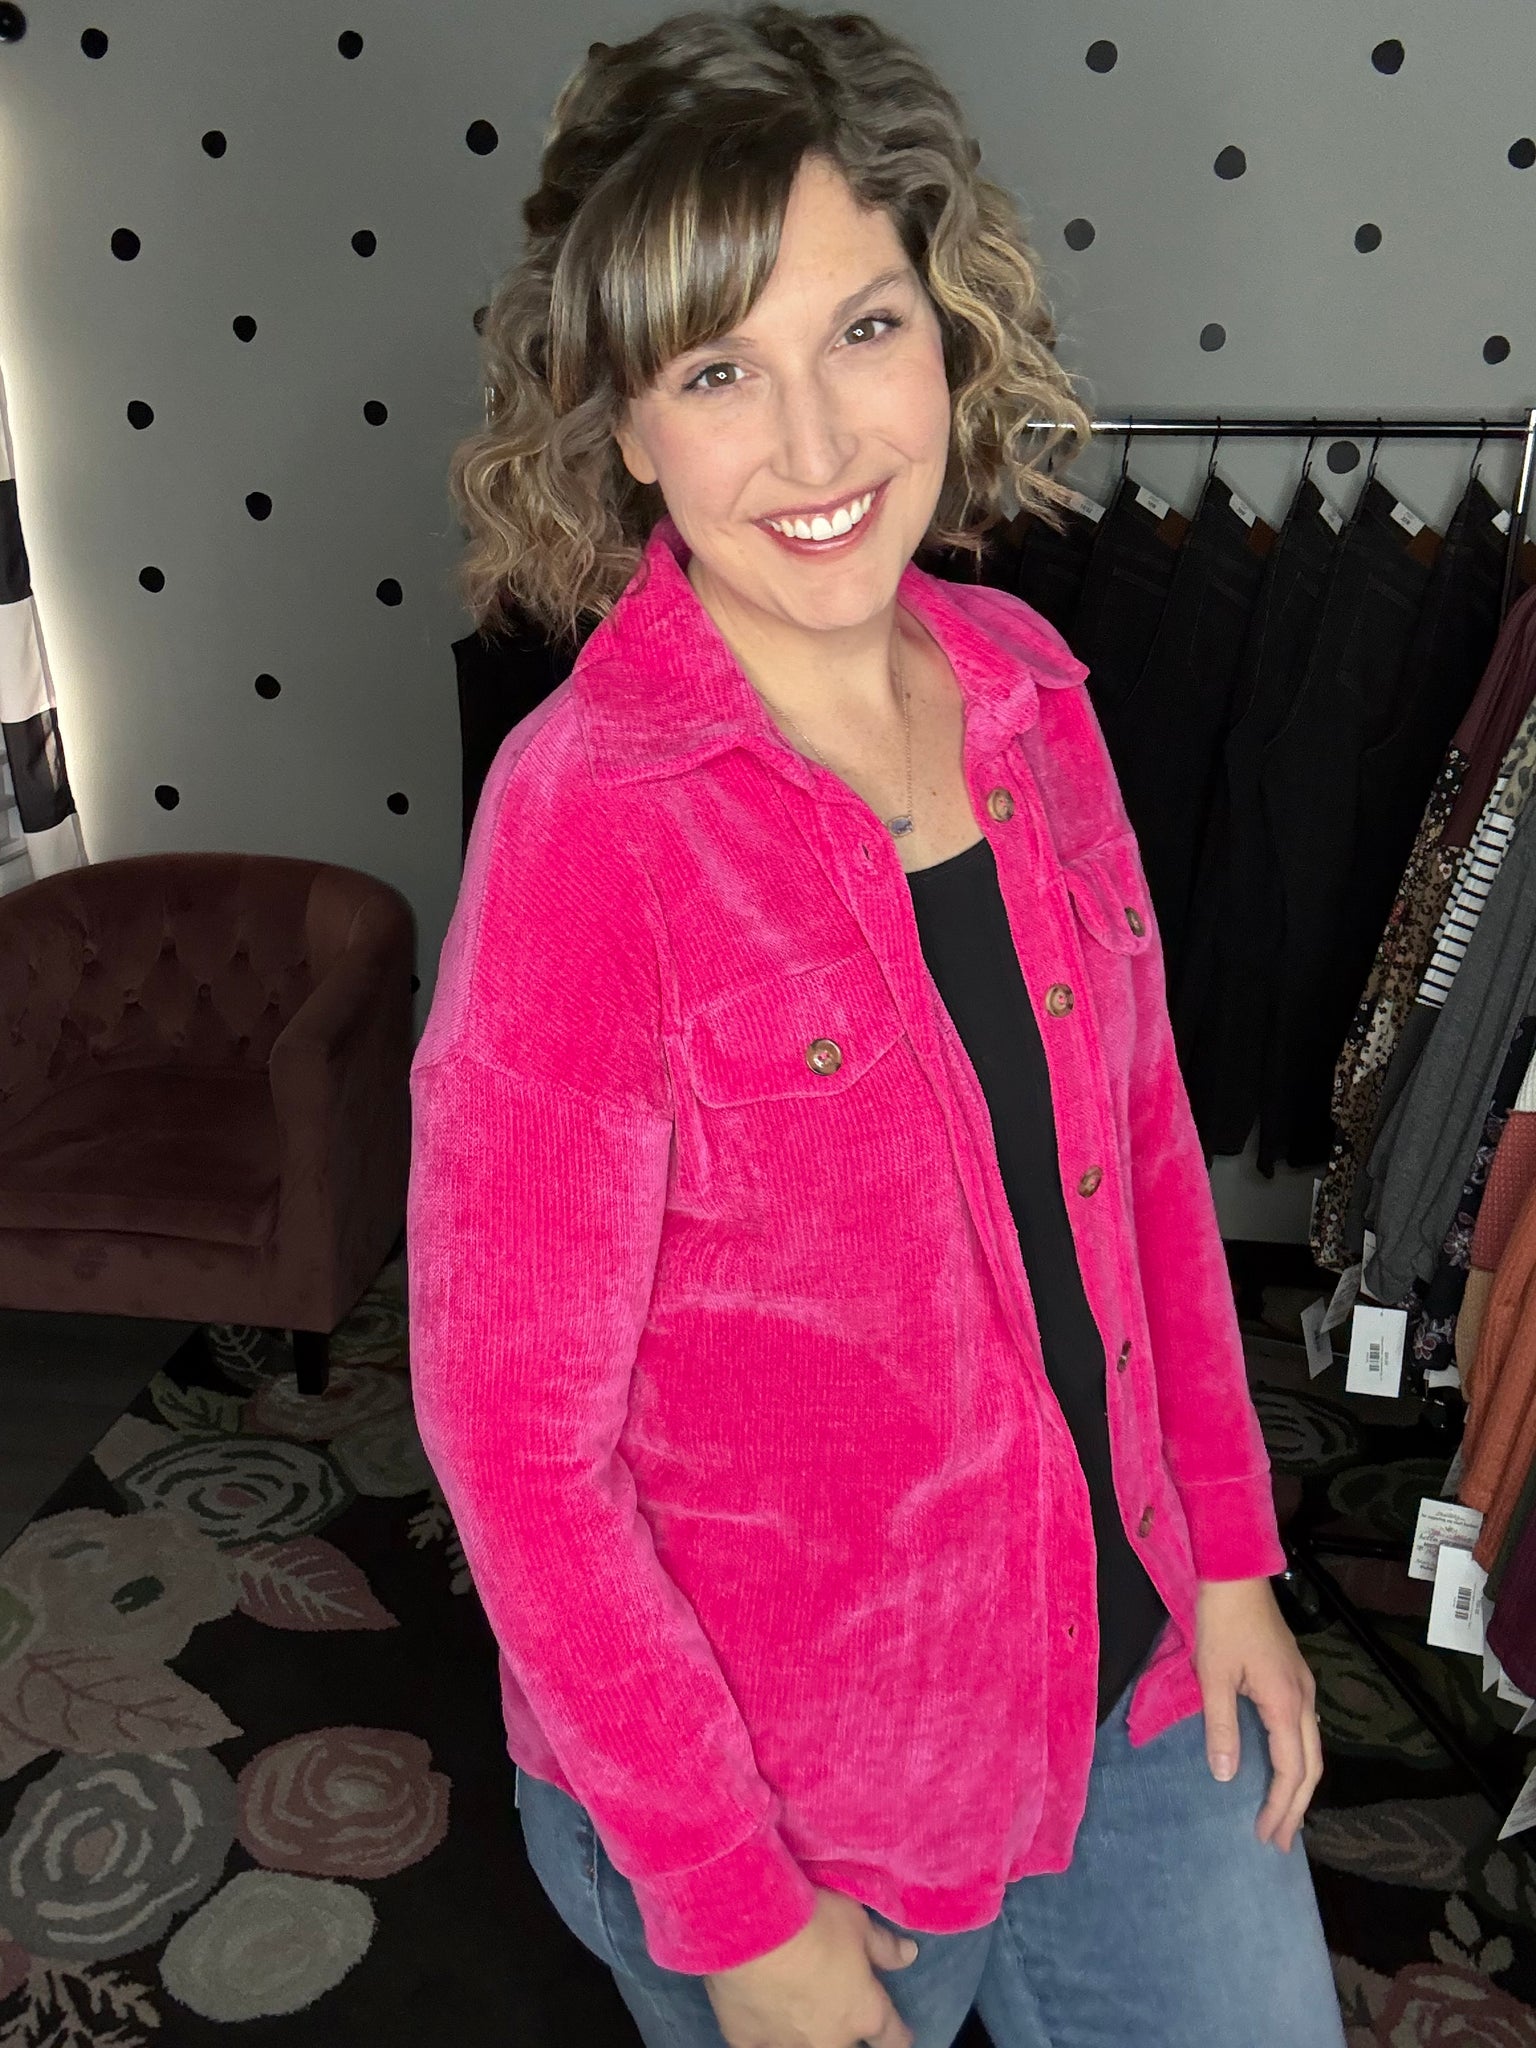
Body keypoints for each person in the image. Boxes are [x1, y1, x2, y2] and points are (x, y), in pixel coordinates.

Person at [406, 8, 1345, 2045]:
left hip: (1130, 1674)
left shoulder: (1030, 691)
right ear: (625, 427)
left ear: (949, 332)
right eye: (718, 371)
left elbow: (1145, 1168)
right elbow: (518, 1451)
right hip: (794, 1801)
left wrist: (1232, 1560)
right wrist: (732, 1903)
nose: (820, 444)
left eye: (863, 329)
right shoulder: (586, 829)